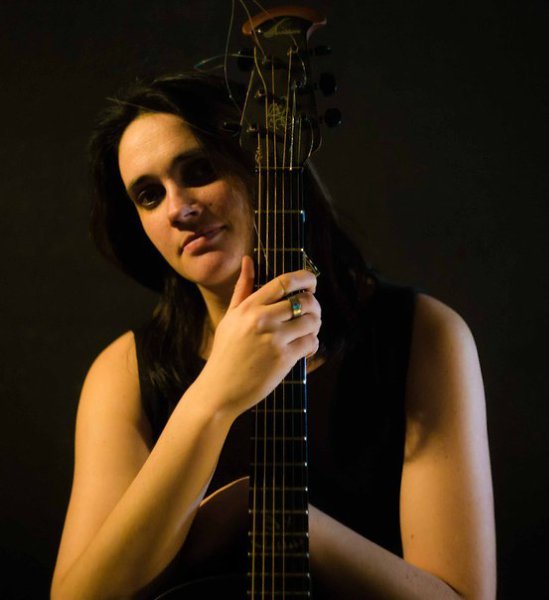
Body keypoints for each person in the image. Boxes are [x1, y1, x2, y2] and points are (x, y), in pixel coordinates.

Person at [51, 73, 496, 599]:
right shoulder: (124, 370)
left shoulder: (422, 334)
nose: (178, 208)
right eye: (149, 195)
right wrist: (213, 396)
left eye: (200, 170)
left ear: (266, 168)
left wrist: (271, 516)